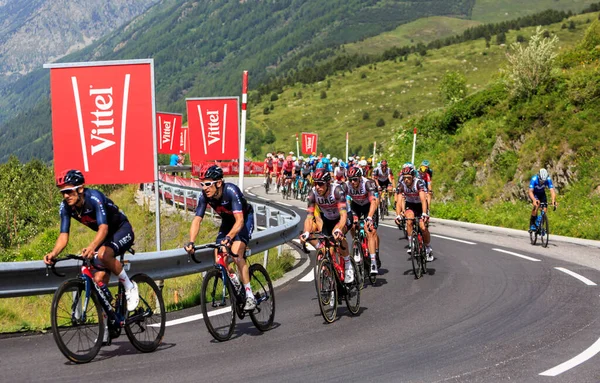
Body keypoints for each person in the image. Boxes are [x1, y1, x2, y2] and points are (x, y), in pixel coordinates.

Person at [44, 170, 139, 315]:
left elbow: (104, 227)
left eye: (69, 191)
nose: (65, 196)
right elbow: (63, 235)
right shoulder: (66, 207)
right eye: (63, 192)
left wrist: (91, 247)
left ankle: (129, 286)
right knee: (98, 279)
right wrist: (53, 253)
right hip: (106, 236)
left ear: (80, 189)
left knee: (103, 254)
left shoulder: (94, 198)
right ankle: (110, 321)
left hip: (122, 229)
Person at [184, 165, 256, 310]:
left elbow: (240, 221)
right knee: (219, 257)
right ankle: (235, 282)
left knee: (236, 254)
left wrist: (230, 237)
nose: (204, 188)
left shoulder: (231, 191)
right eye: (202, 184)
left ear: (218, 183)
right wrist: (191, 241)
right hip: (228, 222)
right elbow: (197, 219)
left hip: (243, 220)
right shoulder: (204, 196)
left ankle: (250, 295)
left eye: (208, 184)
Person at [299, 168, 353, 282]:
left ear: (328, 184)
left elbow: (343, 216)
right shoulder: (312, 193)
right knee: (327, 250)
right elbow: (309, 217)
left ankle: (348, 265)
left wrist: (339, 229)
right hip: (328, 219)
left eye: (320, 184)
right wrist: (307, 232)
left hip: (343, 217)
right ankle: (332, 281)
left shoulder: (337, 191)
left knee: (337, 234)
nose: (317, 187)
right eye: (315, 183)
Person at [394, 164, 433, 261]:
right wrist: (398, 215)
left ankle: (428, 247)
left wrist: (424, 213)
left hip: (420, 205)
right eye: (404, 178)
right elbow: (399, 201)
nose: (406, 180)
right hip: (410, 205)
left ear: (413, 177)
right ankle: (411, 244)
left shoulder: (418, 183)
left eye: (408, 178)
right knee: (409, 220)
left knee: (423, 227)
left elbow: (424, 200)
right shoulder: (401, 184)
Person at [346, 166, 380, 274]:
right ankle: (356, 243)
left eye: (355, 179)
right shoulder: (347, 185)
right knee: (352, 224)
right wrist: (350, 215)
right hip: (356, 205)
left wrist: (369, 217)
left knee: (370, 231)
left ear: (360, 178)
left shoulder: (368, 183)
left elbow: (374, 202)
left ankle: (374, 261)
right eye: (350, 179)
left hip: (368, 206)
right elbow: (346, 202)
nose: (352, 182)